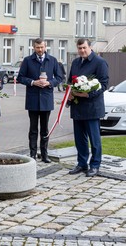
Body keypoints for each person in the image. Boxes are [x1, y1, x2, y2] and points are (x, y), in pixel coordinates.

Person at [68, 38, 109, 177]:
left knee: (94, 139)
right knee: (79, 139)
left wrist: (88, 94)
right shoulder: (75, 62)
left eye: (84, 48)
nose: (82, 51)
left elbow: (103, 85)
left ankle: (95, 165)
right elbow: (69, 82)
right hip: (77, 107)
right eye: (79, 48)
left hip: (92, 107)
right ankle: (82, 163)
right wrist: (70, 93)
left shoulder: (100, 62)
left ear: (90, 47)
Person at [17, 38, 62, 163]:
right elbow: (21, 77)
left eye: (42, 47)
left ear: (45, 46)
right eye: (37, 47)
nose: (40, 50)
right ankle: (32, 154)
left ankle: (44, 154)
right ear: (33, 47)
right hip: (33, 99)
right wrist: (33, 82)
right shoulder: (27, 60)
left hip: (46, 99)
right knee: (33, 129)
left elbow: (59, 77)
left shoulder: (52, 60)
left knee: (45, 129)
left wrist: (49, 83)